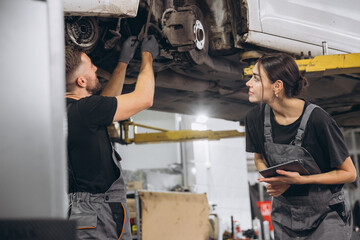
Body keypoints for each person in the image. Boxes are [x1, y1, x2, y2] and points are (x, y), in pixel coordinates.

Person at [244, 53, 357, 239]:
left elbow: (349, 173)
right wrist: (274, 181)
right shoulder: (254, 118)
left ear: (277, 86)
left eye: (256, 78)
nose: (248, 83)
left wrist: (301, 180)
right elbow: (259, 158)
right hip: (284, 216)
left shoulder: (318, 120)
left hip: (325, 216)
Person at [65, 35, 159, 240]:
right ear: (81, 81)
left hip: (84, 212)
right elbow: (144, 98)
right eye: (90, 66)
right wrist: (148, 56)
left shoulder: (68, 111)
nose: (96, 68)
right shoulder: (85, 111)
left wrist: (123, 62)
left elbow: (106, 103)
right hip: (99, 212)